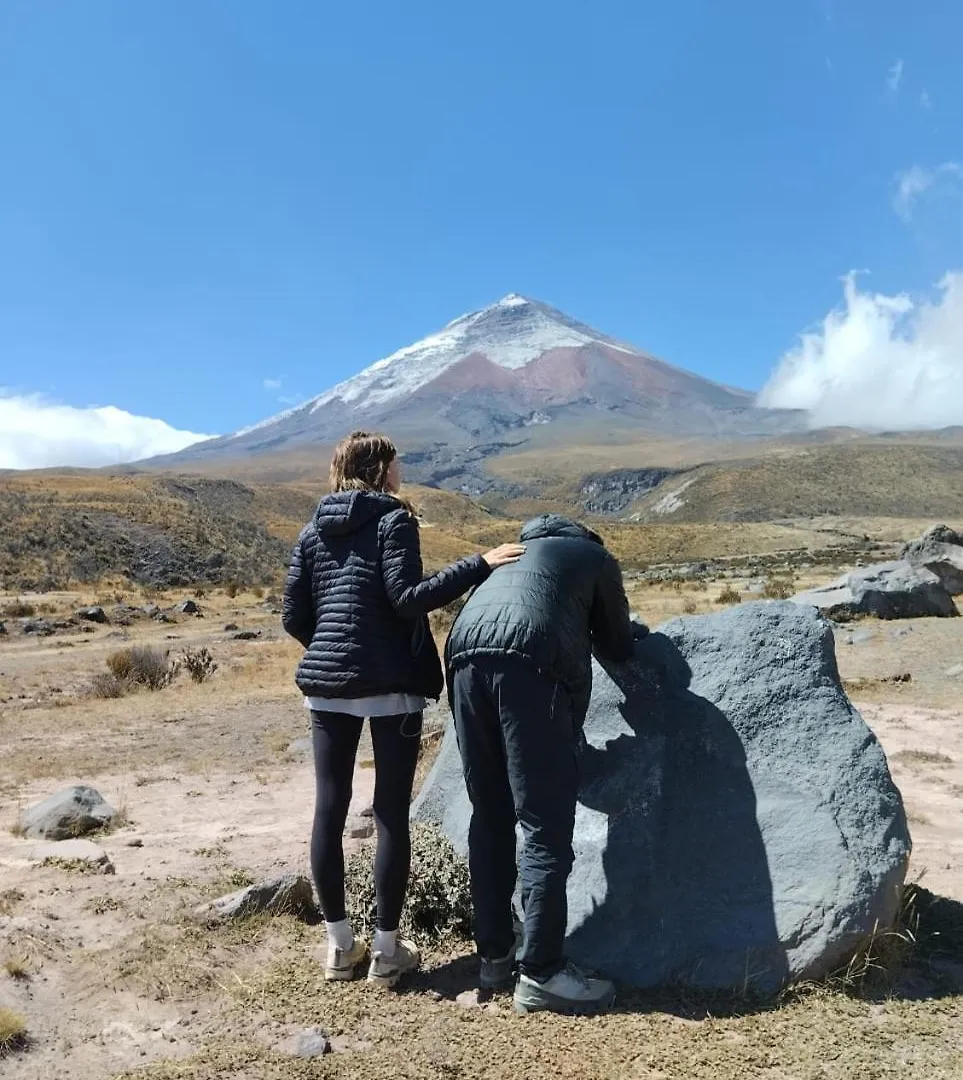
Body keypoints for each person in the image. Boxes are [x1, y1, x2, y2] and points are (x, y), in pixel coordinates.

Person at [282, 430, 524, 987]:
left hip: (326, 688)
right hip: (391, 688)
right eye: (396, 462)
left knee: (329, 809)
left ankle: (340, 948)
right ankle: (387, 953)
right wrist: (480, 564)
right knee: (389, 812)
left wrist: (334, 653)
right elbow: (408, 598)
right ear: (379, 469)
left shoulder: (312, 528)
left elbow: (295, 615)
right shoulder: (394, 519)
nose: (402, 470)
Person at [444, 513, 643, 1015]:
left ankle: (494, 955)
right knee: (544, 824)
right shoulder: (594, 557)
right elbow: (617, 642)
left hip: (464, 660)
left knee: (489, 815)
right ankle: (543, 973)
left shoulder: (508, 556)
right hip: (532, 665)